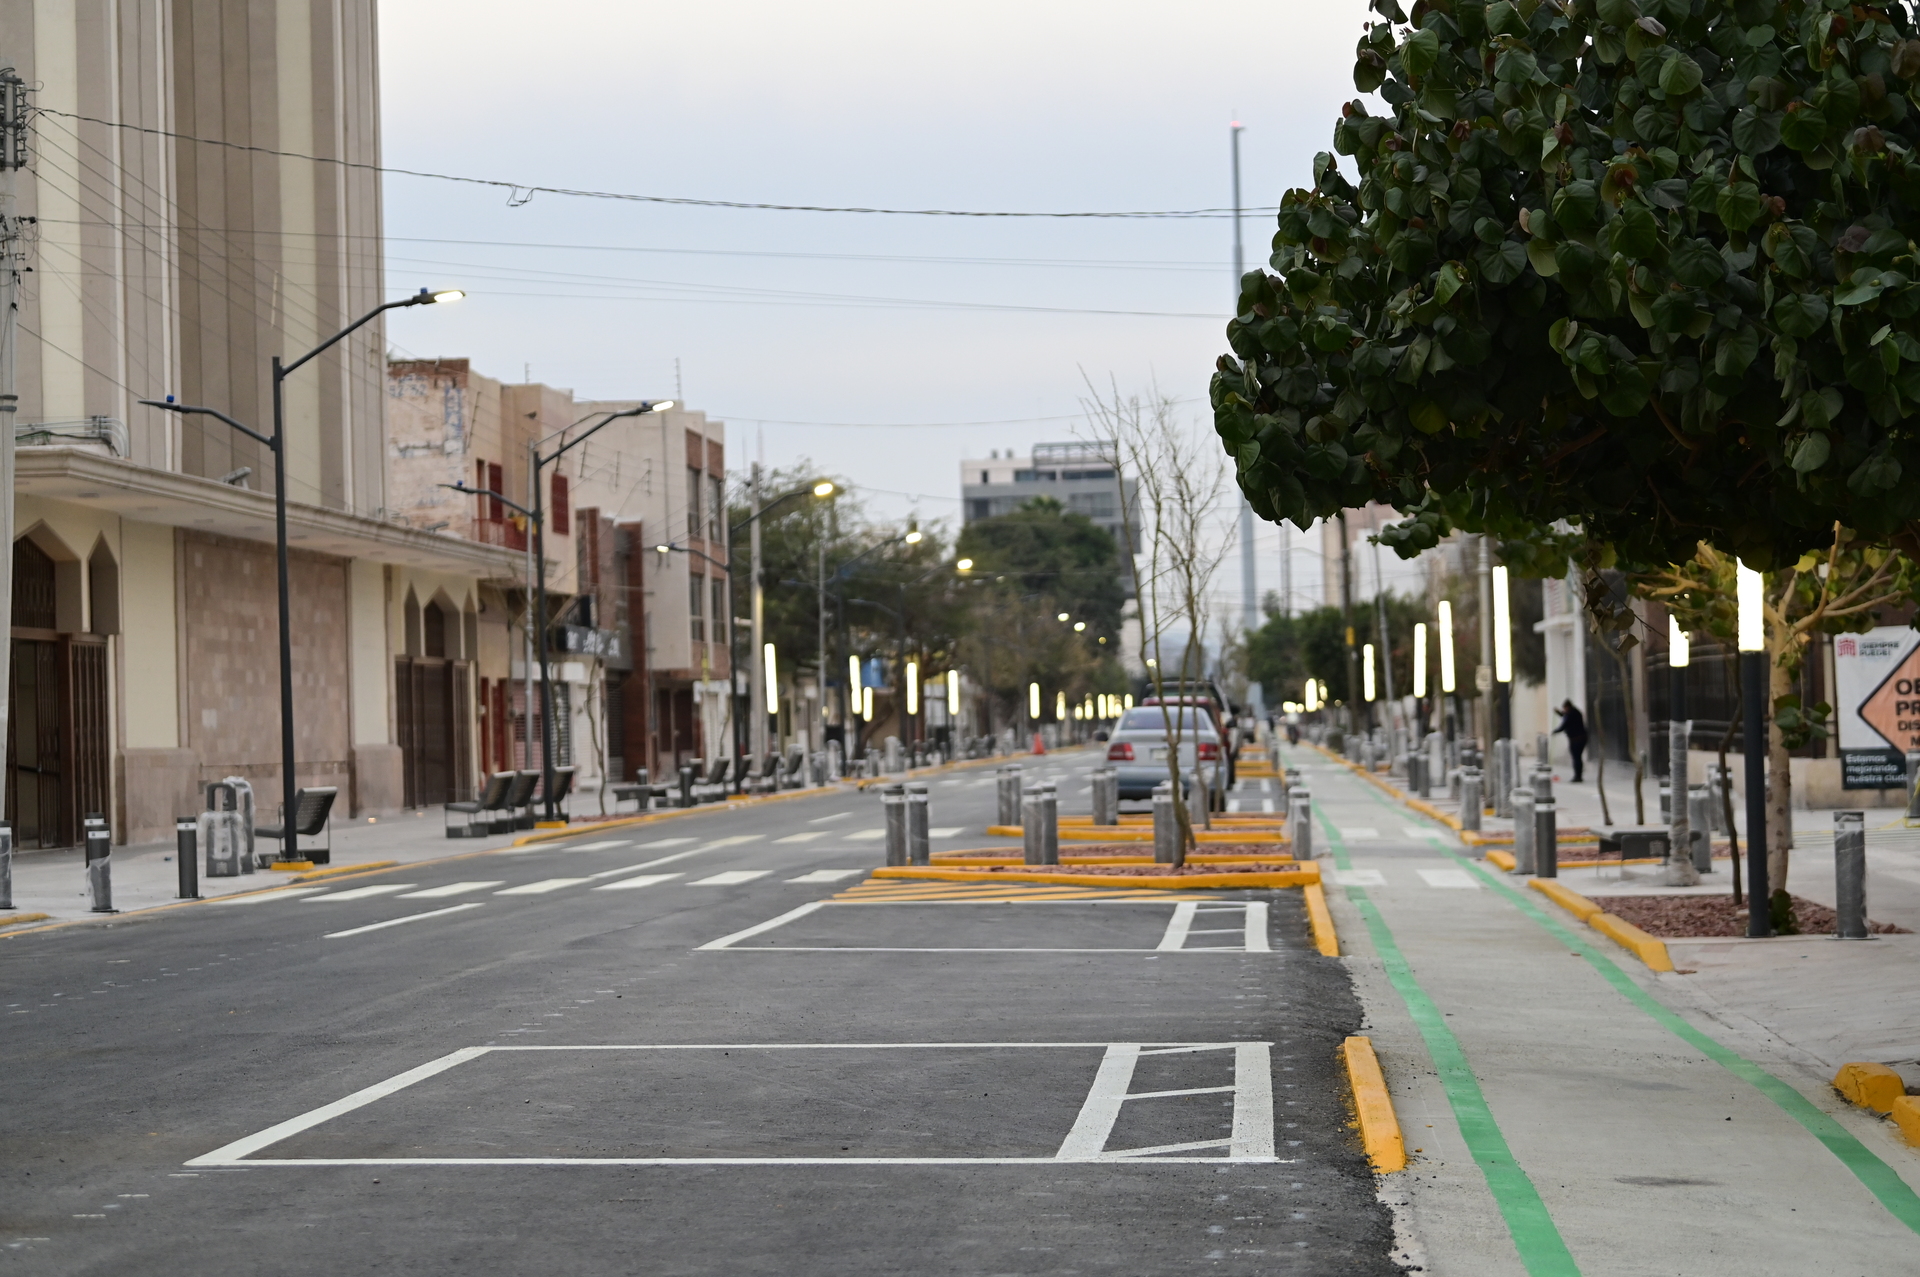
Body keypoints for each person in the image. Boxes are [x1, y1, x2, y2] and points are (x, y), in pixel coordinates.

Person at [1554, 700, 1588, 782]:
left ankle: (1578, 776)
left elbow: (1565, 723)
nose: (1564, 710)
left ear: (1567, 707)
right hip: (1579, 738)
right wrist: (1559, 713)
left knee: (1576, 758)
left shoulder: (1572, 714)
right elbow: (1565, 716)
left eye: (1565, 708)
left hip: (1577, 739)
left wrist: (1555, 731)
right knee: (1577, 757)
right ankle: (1578, 775)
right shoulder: (1573, 712)